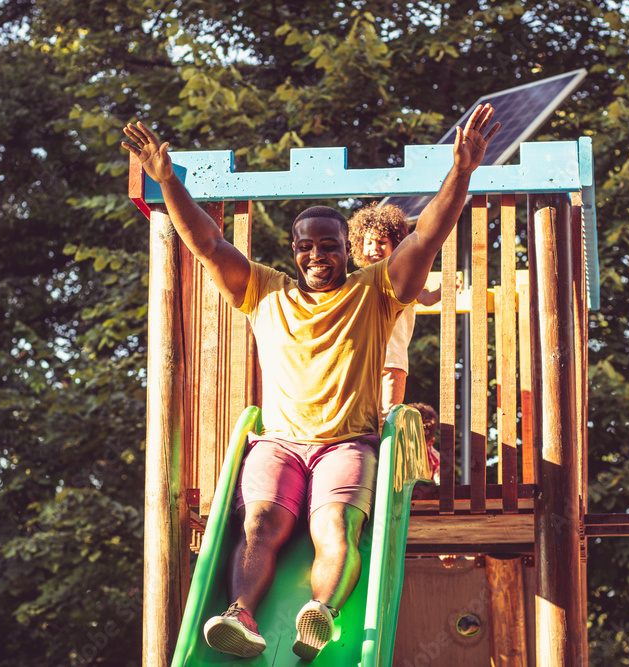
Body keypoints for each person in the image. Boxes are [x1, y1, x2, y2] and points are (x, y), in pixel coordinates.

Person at [121, 104, 499, 661]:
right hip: (278, 440)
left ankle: (318, 610)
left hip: (347, 442)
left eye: (329, 244)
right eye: (306, 245)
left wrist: (462, 173)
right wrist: (168, 182)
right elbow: (207, 245)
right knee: (260, 523)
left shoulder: (376, 291)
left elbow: (427, 238)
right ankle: (241, 615)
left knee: (335, 526)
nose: (317, 254)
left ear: (347, 248)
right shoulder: (264, 292)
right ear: (293, 250)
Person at [348, 203, 441, 419]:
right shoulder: (357, 281)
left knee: (386, 414)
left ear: (395, 245)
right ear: (359, 246)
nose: (375, 248)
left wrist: (441, 292)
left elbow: (425, 298)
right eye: (369, 242)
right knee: (359, 413)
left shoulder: (403, 278)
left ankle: (382, 449)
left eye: (382, 242)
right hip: (359, 359)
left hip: (391, 359)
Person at [406, 402, 441, 484]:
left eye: (417, 446)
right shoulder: (393, 453)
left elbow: (441, 488)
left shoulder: (436, 460)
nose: (410, 449)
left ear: (430, 442)